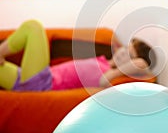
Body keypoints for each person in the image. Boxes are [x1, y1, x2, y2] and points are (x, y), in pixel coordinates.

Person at [0, 20, 156, 91]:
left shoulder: (109, 75)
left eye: (130, 56)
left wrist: (118, 70)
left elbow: (143, 63)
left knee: (33, 27)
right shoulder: (102, 60)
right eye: (125, 49)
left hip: (41, 82)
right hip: (25, 77)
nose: (123, 55)